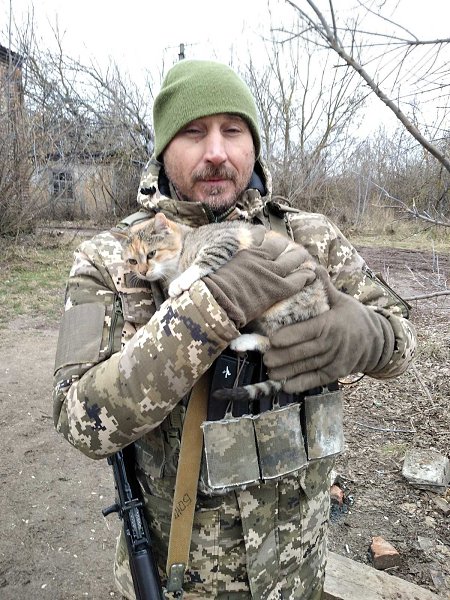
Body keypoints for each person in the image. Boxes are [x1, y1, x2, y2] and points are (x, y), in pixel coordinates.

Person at [53, 59, 416, 600]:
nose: (216, 152)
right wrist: (205, 311)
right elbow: (78, 419)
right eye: (193, 132)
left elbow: (403, 342)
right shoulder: (110, 259)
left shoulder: (311, 236)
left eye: (233, 130)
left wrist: (370, 336)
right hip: (179, 581)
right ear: (163, 149)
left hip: (298, 572)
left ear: (254, 145)